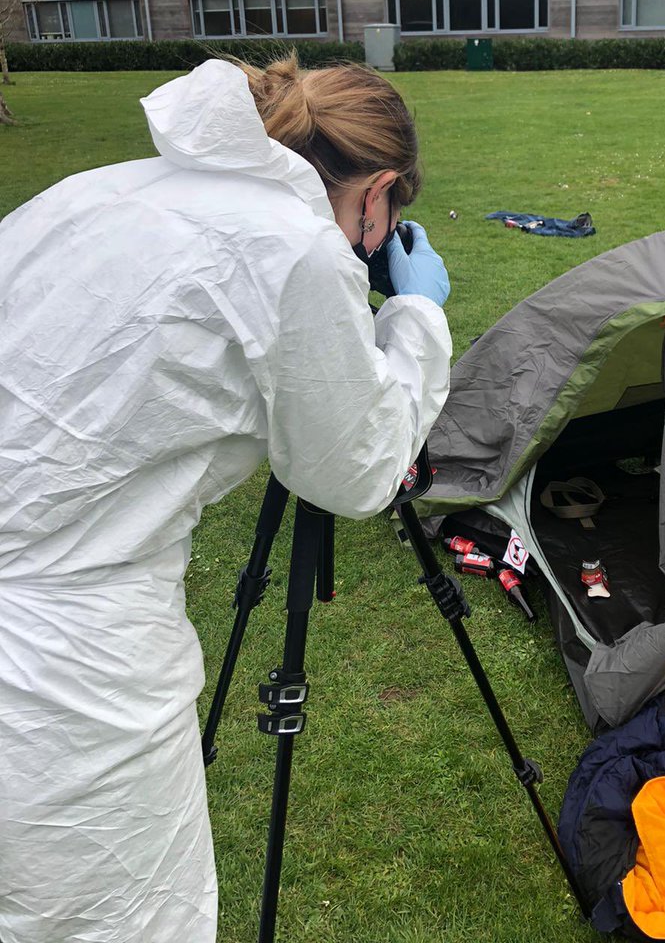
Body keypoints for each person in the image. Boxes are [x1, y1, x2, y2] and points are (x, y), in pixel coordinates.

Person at [0, 56, 452, 943]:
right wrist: (417, 315)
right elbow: (356, 467)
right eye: (387, 223)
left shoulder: (94, 190)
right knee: (119, 920)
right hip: (62, 671)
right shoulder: (295, 247)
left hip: (44, 603)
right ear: (380, 196)